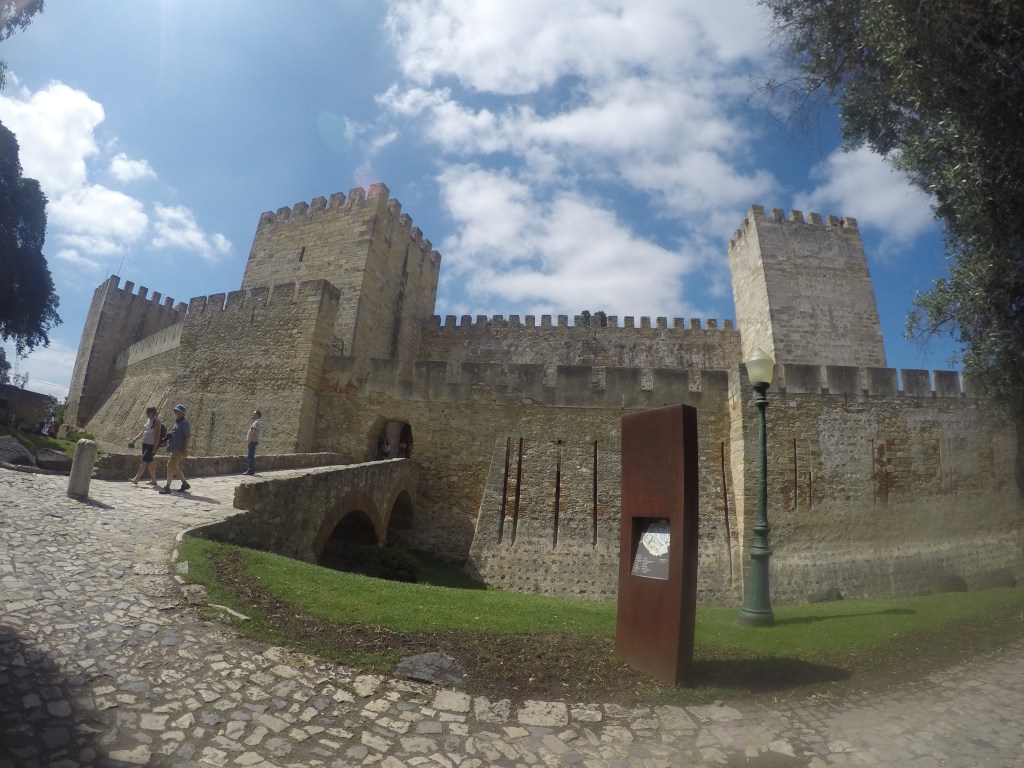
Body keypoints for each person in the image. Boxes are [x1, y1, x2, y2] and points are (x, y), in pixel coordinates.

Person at [160, 404, 191, 494]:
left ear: (181, 413)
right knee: (175, 466)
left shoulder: (184, 423)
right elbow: (176, 433)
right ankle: (185, 484)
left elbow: (187, 436)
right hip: (174, 448)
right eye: (175, 411)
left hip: (178, 448)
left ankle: (167, 487)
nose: (175, 412)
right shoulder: (177, 421)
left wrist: (184, 448)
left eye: (177, 411)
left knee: (170, 466)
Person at [129, 406, 161, 485]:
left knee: (144, 461)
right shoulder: (148, 420)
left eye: (148, 412)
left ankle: (136, 478)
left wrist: (155, 446)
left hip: (151, 444)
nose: (147, 414)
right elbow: (143, 432)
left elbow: (158, 435)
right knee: (150, 462)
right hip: (145, 443)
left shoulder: (156, 421)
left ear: (152, 413)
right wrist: (135, 439)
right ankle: (154, 480)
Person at [243, 409, 261, 475]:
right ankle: (251, 471)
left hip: (252, 442)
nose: (252, 415)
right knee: (251, 456)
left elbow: (254, 433)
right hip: (254, 442)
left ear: (257, 415)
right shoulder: (256, 422)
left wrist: (249, 441)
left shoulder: (256, 423)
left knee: (250, 457)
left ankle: (250, 471)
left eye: (254, 414)